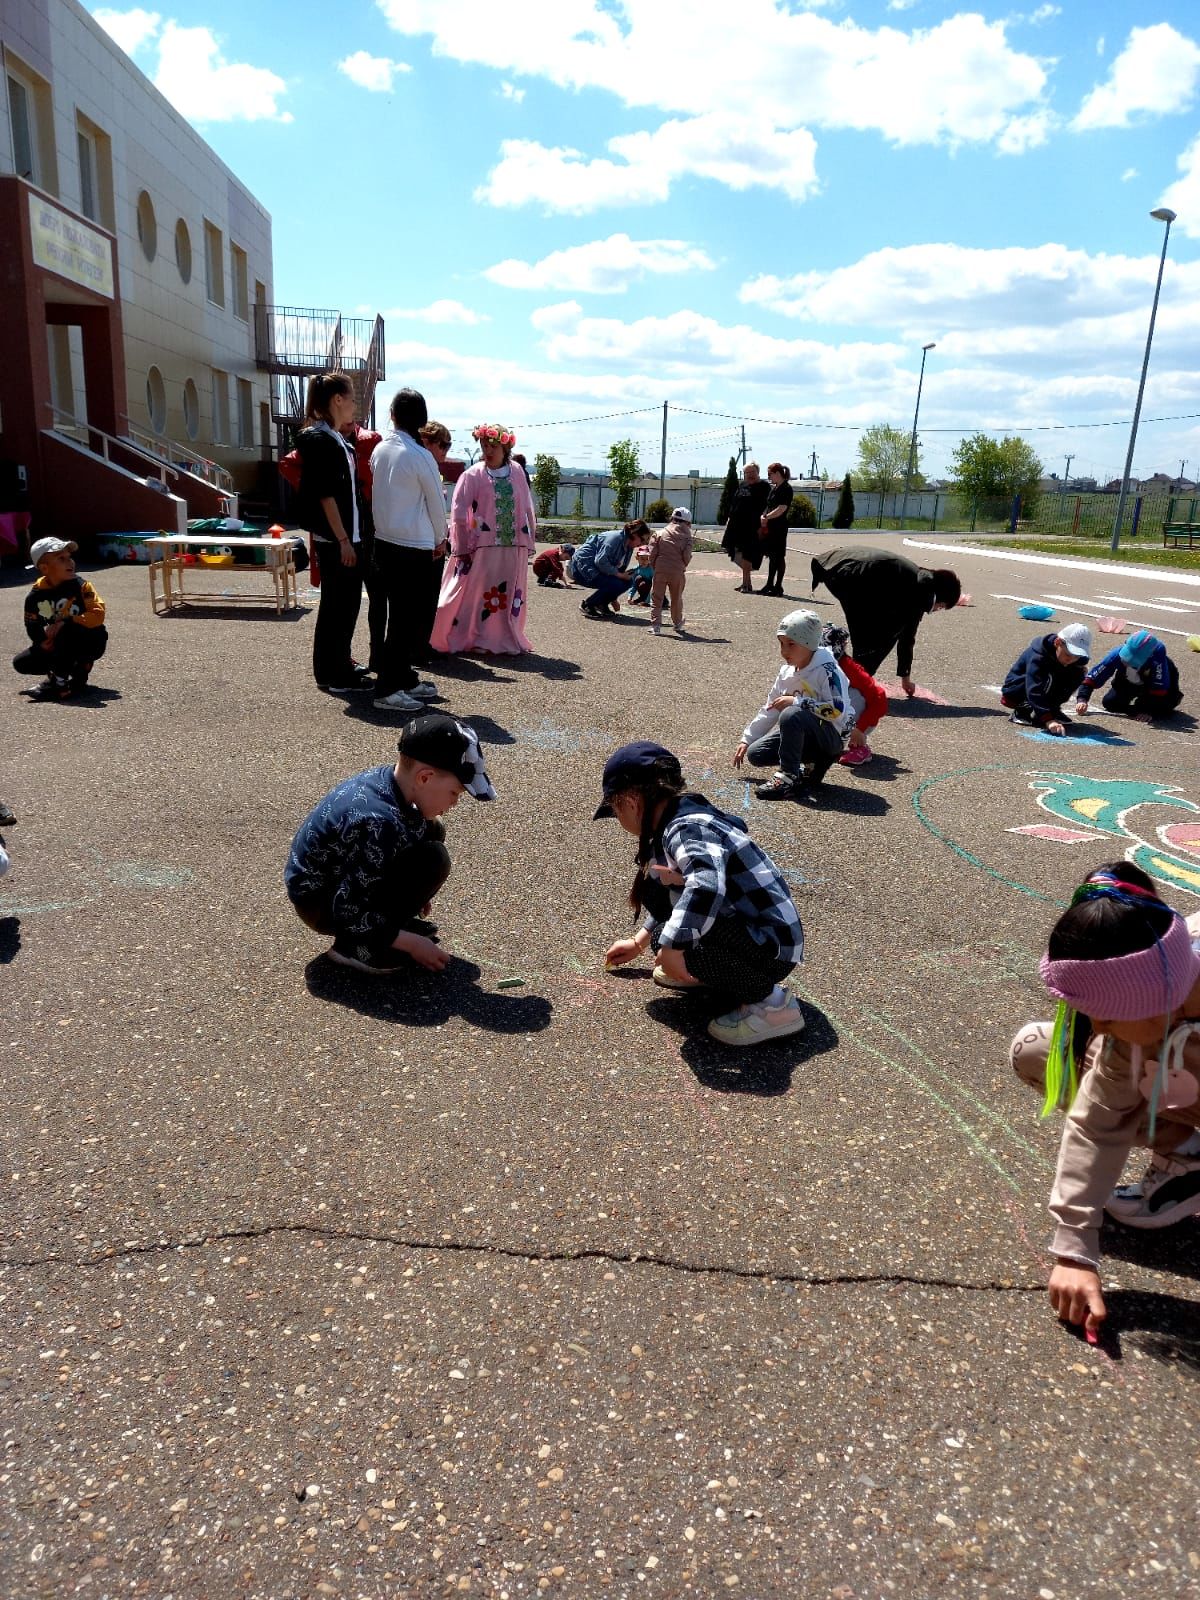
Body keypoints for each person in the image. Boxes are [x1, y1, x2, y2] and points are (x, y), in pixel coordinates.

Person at [1010, 862, 1200, 1336]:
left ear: (1165, 996)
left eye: (1109, 1018)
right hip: (1181, 1070)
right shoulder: (1148, 1009)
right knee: (1037, 1050)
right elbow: (1096, 1125)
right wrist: (1074, 1247)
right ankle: (1187, 1161)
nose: (1099, 1030)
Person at [596, 742, 806, 1047]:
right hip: (751, 931)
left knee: (686, 949)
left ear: (630, 801)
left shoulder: (686, 828)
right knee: (661, 909)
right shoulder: (677, 816)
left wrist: (674, 949)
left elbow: (705, 886)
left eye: (614, 810)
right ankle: (720, 974)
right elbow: (673, 893)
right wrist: (641, 941)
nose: (618, 819)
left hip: (772, 948)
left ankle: (773, 1006)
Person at [285, 712, 495, 976]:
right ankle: (354, 947)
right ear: (425, 777)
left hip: (336, 883)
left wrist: (411, 896)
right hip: (323, 906)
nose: (454, 802)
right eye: (455, 793)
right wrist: (412, 943)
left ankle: (387, 925)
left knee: (431, 830)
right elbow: (347, 906)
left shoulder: (390, 782)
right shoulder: (378, 822)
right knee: (434, 859)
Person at [369, 389, 449, 712]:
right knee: (406, 620)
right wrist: (441, 539)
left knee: (396, 616)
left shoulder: (380, 450)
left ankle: (402, 677)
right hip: (413, 546)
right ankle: (388, 688)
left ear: (392, 414)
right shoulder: (420, 456)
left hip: (383, 541)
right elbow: (435, 502)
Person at [432, 423, 536, 655]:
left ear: (505, 447)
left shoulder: (517, 471)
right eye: (484, 445)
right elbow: (459, 512)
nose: (488, 450)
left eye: (493, 446)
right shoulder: (473, 475)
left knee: (506, 594)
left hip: (512, 544)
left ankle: (502, 636)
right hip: (482, 546)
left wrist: (528, 537)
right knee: (480, 593)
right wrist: (462, 544)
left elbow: (526, 506)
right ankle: (475, 636)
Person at [295, 372, 367, 695]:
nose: (353, 406)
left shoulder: (334, 438)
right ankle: (335, 672)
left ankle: (334, 667)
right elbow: (325, 495)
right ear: (337, 400)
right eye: (351, 399)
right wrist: (343, 540)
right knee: (340, 606)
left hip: (343, 536)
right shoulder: (321, 440)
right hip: (336, 539)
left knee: (341, 605)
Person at [733, 610, 854, 802]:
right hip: (809, 733)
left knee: (791, 714)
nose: (784, 651)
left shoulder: (829, 671)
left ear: (809, 644)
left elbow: (837, 710)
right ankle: (811, 764)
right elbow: (770, 707)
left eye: (791, 644)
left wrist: (797, 702)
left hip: (832, 736)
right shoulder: (786, 672)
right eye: (781, 644)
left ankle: (788, 777)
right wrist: (747, 738)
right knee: (756, 754)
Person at [810, 545, 960, 690]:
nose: (934, 610)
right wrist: (905, 679)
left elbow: (907, 633)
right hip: (846, 572)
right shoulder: (921, 591)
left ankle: (849, 671)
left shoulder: (920, 580)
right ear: (938, 598)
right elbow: (907, 636)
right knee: (883, 634)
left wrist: (905, 677)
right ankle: (849, 675)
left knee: (879, 630)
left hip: (835, 562)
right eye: (940, 607)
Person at [12, 537, 108, 701]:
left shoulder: (82, 587)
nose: (70, 562)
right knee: (21, 662)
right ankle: (74, 670)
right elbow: (32, 624)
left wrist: (68, 620)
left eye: (69, 557)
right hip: (61, 645)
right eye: (61, 559)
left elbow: (98, 616)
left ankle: (60, 684)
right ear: (44, 568)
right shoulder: (36, 595)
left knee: (66, 629)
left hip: (90, 640)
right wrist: (41, 642)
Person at [343, 418, 385, 677]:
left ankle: (378, 655)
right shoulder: (326, 439)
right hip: (345, 525)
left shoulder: (371, 440)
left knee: (378, 596)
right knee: (346, 600)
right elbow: (289, 464)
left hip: (369, 522)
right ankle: (343, 657)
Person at [1001, 622, 1092, 736]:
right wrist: (1048, 720)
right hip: (1017, 689)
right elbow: (1034, 688)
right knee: (1048, 678)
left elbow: (1077, 668)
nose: (1071, 659)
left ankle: (1052, 709)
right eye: (1068, 655)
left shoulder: (1073, 660)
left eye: (1077, 656)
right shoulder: (1038, 656)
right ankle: (1022, 711)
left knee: (1079, 672)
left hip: (1041, 687)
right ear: (1057, 642)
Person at [1075, 630, 1183, 723]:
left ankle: (1147, 704)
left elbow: (1159, 690)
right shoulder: (1117, 655)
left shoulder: (1158, 662)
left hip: (1155, 686)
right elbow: (1093, 677)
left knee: (1163, 710)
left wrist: (1147, 710)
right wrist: (1082, 698)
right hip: (1129, 678)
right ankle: (1136, 707)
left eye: (1133, 661)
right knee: (1111, 703)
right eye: (1126, 657)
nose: (1127, 661)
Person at [820, 623, 888, 768]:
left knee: (853, 695)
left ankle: (860, 746)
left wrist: (860, 728)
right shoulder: (814, 664)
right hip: (835, 712)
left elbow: (879, 698)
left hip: (861, 718)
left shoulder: (849, 668)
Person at [572, 521, 642, 619]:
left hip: (597, 568)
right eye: (642, 539)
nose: (642, 543)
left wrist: (613, 598)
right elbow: (600, 562)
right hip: (583, 569)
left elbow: (620, 569)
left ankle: (601, 604)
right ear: (634, 535)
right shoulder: (615, 539)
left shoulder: (629, 546)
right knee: (614, 582)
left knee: (627, 581)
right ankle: (588, 605)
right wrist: (620, 576)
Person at [721, 463, 771, 593]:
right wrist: (729, 519)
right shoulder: (743, 485)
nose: (749, 475)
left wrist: (762, 525)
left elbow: (768, 507)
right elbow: (735, 503)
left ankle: (746, 584)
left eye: (752, 472)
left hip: (753, 526)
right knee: (740, 554)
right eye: (746, 473)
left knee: (748, 555)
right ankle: (747, 583)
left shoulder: (765, 487)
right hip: (737, 526)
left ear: (758, 472)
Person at [648, 507, 694, 635]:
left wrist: (655, 566)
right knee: (676, 598)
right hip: (677, 571)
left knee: (657, 598)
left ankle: (656, 626)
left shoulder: (659, 533)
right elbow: (687, 556)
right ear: (687, 523)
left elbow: (652, 554)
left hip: (660, 569)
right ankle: (677, 623)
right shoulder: (687, 538)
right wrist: (682, 565)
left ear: (672, 519)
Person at [758, 463, 794, 597]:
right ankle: (769, 584)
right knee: (772, 556)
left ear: (778, 473)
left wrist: (767, 517)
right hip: (770, 526)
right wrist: (763, 516)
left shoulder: (786, 489)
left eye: (770, 474)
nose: (769, 477)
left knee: (778, 556)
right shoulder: (774, 489)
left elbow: (782, 508)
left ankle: (778, 586)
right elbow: (769, 506)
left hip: (779, 527)